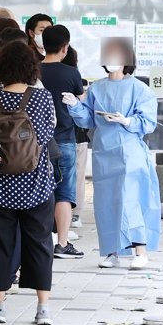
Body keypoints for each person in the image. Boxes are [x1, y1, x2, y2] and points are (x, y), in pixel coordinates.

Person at [64, 38, 161, 269]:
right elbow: (88, 119)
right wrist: (74, 106)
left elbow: (148, 122)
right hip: (104, 153)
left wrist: (127, 120)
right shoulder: (97, 88)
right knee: (106, 202)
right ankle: (111, 252)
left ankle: (140, 250)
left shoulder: (139, 88)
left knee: (131, 200)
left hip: (130, 152)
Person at [0, 42, 57, 325]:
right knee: (39, 242)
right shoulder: (42, 98)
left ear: (1, 68)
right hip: (36, 181)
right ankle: (42, 308)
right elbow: (47, 132)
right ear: (30, 67)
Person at [39, 25, 85, 259]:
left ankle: (42, 240)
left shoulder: (33, 71)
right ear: (65, 47)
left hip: (36, 142)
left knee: (39, 190)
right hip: (65, 139)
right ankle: (63, 243)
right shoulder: (71, 74)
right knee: (64, 193)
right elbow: (81, 101)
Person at [63, 46, 91, 227]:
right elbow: (86, 108)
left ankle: (70, 216)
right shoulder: (78, 79)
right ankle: (75, 214)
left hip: (62, 134)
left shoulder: (46, 75)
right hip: (77, 134)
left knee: (66, 177)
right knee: (77, 175)